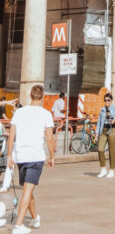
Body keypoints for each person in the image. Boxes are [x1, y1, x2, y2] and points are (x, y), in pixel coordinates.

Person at [5, 84, 55, 234]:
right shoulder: (46, 114)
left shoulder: (19, 112)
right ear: (43, 97)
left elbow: (11, 135)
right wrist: (52, 156)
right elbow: (50, 138)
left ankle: (34, 218)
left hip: (21, 156)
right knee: (28, 189)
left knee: (28, 188)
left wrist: (9, 156)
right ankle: (19, 225)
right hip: (35, 156)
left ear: (30, 95)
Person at [95, 91, 115, 178]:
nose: (106, 102)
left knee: (111, 151)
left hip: (112, 131)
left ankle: (111, 170)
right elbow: (99, 122)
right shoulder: (102, 109)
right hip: (103, 131)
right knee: (100, 149)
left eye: (108, 100)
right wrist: (97, 133)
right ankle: (103, 169)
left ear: (111, 100)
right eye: (105, 100)